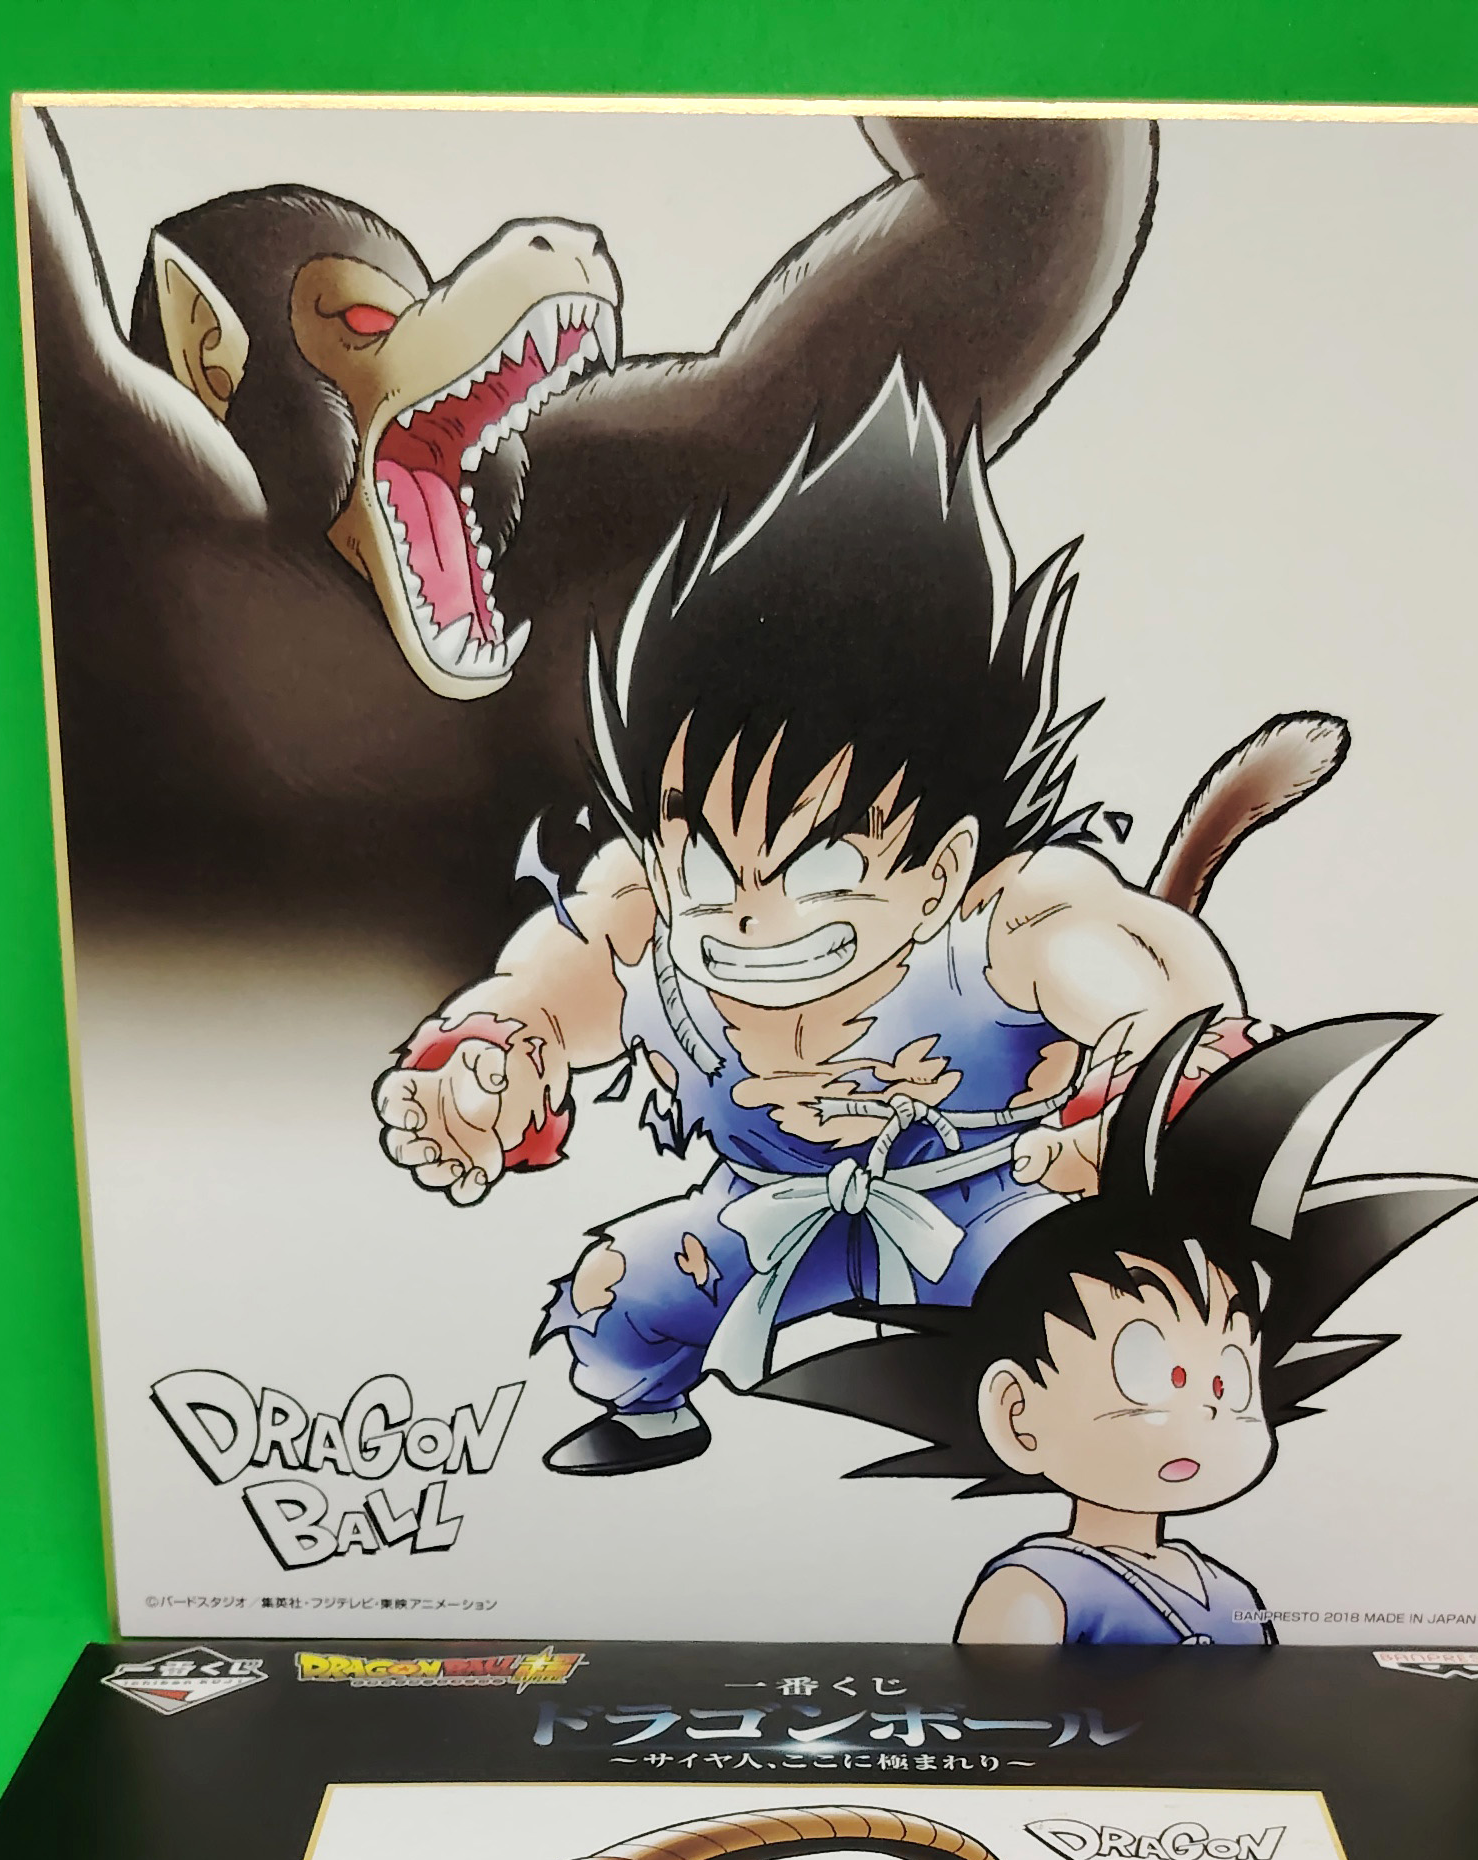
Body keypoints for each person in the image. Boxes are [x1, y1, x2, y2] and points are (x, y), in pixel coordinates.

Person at [369, 367, 1288, 1476]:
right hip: (764, 1212)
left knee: (1118, 1344)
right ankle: (653, 1419)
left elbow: (1137, 969)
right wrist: (495, 1055)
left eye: (821, 865)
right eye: (706, 857)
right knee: (614, 1308)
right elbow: (556, 982)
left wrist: (1148, 1097)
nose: (747, 912)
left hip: (997, 1209)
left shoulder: (1004, 918)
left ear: (942, 869)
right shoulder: (644, 902)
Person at [755, 1015, 1478, 1643]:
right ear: (1017, 1412)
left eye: (1227, 1381)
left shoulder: (1233, 1593)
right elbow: (1001, 1733)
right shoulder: (1035, 1593)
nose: (1204, 1407)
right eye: (1149, 1371)